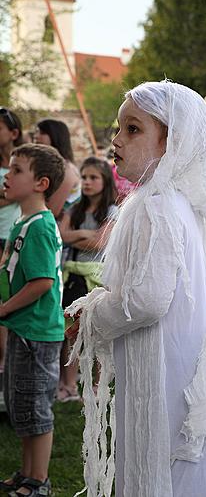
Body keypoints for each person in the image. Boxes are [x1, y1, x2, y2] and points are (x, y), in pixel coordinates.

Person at [65, 80, 206, 497]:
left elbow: (145, 301)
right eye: (118, 128)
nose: (116, 140)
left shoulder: (157, 203)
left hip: (169, 371)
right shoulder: (180, 200)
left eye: (133, 129)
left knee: (165, 474)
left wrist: (91, 315)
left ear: (170, 142)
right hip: (187, 364)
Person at [0, 143, 65, 496]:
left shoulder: (39, 225)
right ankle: (27, 473)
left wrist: (6, 307)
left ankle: (39, 481)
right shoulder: (25, 220)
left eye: (16, 170)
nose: (7, 176)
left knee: (36, 408)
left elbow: (43, 282)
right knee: (21, 405)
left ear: (40, 182)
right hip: (25, 329)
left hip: (37, 332)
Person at [58, 157, 118, 401]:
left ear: (105, 181)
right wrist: (84, 233)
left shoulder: (112, 210)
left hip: (99, 277)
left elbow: (101, 242)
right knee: (71, 330)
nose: (87, 182)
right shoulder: (75, 209)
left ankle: (97, 385)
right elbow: (61, 235)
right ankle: (69, 384)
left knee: (99, 332)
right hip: (74, 275)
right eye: (84, 177)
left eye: (94, 177)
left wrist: (79, 237)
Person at [0, 107, 23, 373]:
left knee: (10, 300)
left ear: (13, 133)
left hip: (16, 238)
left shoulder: (24, 162)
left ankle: (8, 362)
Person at [34, 119, 80, 218]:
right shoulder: (46, 166)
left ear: (56, 136)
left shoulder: (66, 171)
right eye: (36, 132)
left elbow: (52, 211)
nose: (36, 136)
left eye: (42, 133)